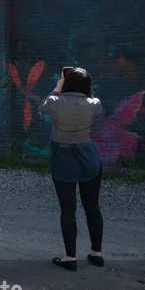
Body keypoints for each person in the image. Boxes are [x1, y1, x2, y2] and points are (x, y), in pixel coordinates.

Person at [38, 66, 105, 271]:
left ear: (66, 82)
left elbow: (42, 107)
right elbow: (96, 105)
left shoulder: (56, 101)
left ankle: (70, 257)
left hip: (63, 156)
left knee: (68, 210)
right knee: (92, 207)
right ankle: (97, 254)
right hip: (88, 156)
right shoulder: (94, 103)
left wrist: (58, 88)